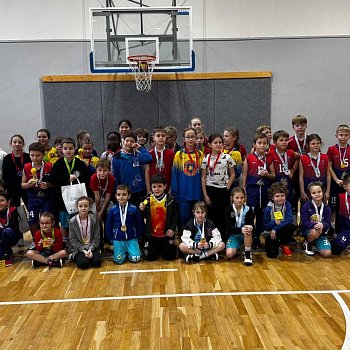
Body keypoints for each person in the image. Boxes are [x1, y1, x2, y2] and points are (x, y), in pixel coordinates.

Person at [50, 137, 91, 239]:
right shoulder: (58, 164)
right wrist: (66, 178)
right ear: (62, 150)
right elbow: (53, 179)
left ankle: (79, 242)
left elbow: (86, 180)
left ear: (75, 149)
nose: (68, 151)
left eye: (71, 148)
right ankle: (66, 242)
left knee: (79, 221)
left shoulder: (80, 164)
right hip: (63, 199)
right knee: (64, 223)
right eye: (65, 148)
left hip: (78, 198)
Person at [242, 133, 275, 249]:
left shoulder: (269, 158)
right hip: (252, 191)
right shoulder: (249, 158)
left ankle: (258, 235)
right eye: (259, 143)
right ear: (254, 144)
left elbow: (273, 175)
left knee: (263, 214)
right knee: (251, 214)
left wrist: (267, 174)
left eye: (264, 143)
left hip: (265, 190)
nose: (262, 145)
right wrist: (244, 191)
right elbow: (244, 176)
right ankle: (250, 237)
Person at [201, 133, 235, 239]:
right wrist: (205, 195)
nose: (218, 144)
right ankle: (212, 239)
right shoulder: (206, 158)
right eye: (215, 142)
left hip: (223, 190)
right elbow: (203, 177)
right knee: (212, 215)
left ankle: (223, 239)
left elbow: (233, 174)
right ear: (210, 144)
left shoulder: (227, 157)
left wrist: (227, 188)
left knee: (223, 215)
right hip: (210, 189)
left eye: (220, 142)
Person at [139, 174, 178, 261]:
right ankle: (157, 249)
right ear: (151, 187)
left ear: (165, 186)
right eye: (154, 186)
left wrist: (172, 228)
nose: (156, 189)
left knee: (170, 257)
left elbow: (175, 216)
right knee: (149, 258)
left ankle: (163, 248)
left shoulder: (171, 200)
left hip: (165, 235)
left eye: (159, 186)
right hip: (152, 236)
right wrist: (142, 209)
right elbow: (143, 215)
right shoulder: (147, 199)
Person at [171, 127, 204, 229]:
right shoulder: (179, 155)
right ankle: (183, 241)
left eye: (192, 137)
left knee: (197, 218)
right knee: (184, 218)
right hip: (183, 194)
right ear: (184, 139)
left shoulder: (200, 154)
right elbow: (175, 175)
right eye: (188, 137)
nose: (190, 139)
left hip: (196, 193)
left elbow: (203, 175)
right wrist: (175, 193)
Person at [106, 184, 144, 264]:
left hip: (131, 238)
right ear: (116, 196)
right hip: (118, 239)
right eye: (119, 195)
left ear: (129, 196)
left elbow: (139, 222)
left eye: (124, 194)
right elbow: (109, 225)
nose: (121, 197)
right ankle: (122, 251)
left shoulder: (133, 209)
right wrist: (110, 238)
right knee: (118, 260)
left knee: (136, 258)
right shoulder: (112, 210)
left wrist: (138, 236)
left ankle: (130, 251)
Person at [21, 142, 53, 237]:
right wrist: (28, 184)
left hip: (46, 197)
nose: (35, 158)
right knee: (32, 219)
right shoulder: (26, 167)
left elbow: (54, 183)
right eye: (32, 155)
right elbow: (22, 185)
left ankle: (47, 239)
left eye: (38, 155)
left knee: (46, 218)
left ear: (43, 155)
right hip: (32, 197)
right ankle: (36, 239)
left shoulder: (49, 166)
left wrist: (48, 185)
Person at [112, 131, 152, 206]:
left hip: (139, 189)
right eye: (127, 141)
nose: (129, 143)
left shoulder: (138, 154)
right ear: (123, 141)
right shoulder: (116, 157)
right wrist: (117, 191)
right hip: (125, 191)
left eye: (132, 141)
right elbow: (115, 175)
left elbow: (148, 158)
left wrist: (140, 148)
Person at [263, 182, 296, 258]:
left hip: (280, 230)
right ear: (272, 197)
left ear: (286, 195)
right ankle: (272, 243)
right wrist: (273, 223)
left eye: (282, 196)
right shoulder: (268, 208)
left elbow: (289, 219)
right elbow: (265, 226)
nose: (280, 198)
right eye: (277, 196)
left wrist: (276, 228)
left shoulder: (287, 204)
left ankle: (284, 244)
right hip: (271, 233)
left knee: (291, 226)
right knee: (272, 254)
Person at [69, 196, 102, 269]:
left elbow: (97, 237)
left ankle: (91, 255)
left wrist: (91, 249)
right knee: (83, 264)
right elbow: (72, 239)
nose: (83, 208)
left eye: (86, 206)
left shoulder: (94, 219)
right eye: (80, 206)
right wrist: (83, 250)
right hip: (79, 248)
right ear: (77, 207)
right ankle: (76, 256)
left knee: (97, 263)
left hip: (92, 247)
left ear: (89, 207)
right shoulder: (72, 221)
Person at [300, 182, 332, 257]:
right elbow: (304, 222)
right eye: (314, 193)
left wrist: (323, 225)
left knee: (327, 254)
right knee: (315, 232)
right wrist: (315, 225)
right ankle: (308, 242)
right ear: (310, 195)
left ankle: (316, 242)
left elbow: (328, 223)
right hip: (309, 230)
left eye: (319, 192)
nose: (317, 194)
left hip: (321, 232)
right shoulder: (306, 206)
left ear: (323, 192)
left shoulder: (327, 207)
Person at [225, 187, 254, 265]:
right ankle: (241, 248)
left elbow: (251, 223)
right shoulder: (229, 210)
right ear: (232, 198)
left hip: (246, 234)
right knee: (229, 254)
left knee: (248, 229)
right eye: (237, 198)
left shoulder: (248, 209)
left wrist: (251, 226)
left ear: (245, 198)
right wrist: (241, 230)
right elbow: (229, 228)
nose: (239, 200)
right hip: (234, 235)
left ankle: (247, 254)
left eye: (242, 197)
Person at [269, 130, 299, 204]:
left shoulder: (291, 152)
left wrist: (293, 170)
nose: (284, 142)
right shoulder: (270, 153)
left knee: (289, 202)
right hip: (276, 181)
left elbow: (299, 158)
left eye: (286, 140)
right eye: (281, 140)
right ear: (275, 142)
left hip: (288, 181)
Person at [90, 158, 115, 246]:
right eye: (100, 170)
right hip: (95, 201)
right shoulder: (93, 178)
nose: (102, 173)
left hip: (106, 201)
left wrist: (102, 211)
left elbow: (108, 196)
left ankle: (109, 238)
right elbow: (96, 197)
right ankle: (98, 240)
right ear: (96, 170)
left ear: (109, 171)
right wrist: (98, 211)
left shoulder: (111, 179)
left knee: (109, 215)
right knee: (96, 218)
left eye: (105, 170)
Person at [327, 124, 350, 222]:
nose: (343, 137)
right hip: (335, 183)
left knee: (346, 205)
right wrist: (336, 179)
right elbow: (329, 166)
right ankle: (332, 227)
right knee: (333, 206)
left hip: (348, 183)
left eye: (346, 135)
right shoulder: (331, 149)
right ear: (336, 136)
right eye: (341, 135)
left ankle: (345, 226)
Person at [299, 134, 330, 202]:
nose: (315, 145)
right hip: (308, 189)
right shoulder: (303, 158)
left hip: (322, 188)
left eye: (317, 143)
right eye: (313, 144)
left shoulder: (325, 157)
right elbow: (301, 176)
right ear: (308, 145)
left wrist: (328, 191)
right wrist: (302, 192)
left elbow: (328, 175)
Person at [2, 134, 31, 207]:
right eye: (15, 142)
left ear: (23, 144)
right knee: (15, 211)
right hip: (12, 189)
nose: (17, 144)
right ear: (11, 144)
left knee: (30, 208)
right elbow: (5, 175)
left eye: (19, 142)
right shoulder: (7, 158)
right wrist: (5, 189)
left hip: (26, 187)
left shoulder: (28, 157)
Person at [146, 126, 175, 193]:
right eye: (158, 136)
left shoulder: (171, 153)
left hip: (167, 188)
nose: (161, 138)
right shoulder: (149, 154)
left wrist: (171, 188)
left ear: (166, 138)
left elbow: (173, 172)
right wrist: (148, 189)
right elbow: (147, 172)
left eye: (163, 136)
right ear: (153, 138)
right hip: (153, 188)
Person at [0, 192, 21, 266]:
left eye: (2, 201)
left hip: (12, 236)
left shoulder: (13, 210)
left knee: (6, 231)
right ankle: (5, 252)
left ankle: (8, 256)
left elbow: (12, 226)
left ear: (8, 202)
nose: (0, 203)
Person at [331, 174, 350, 255]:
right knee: (336, 249)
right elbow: (338, 217)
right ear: (345, 187)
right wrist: (336, 232)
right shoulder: (340, 197)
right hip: (346, 230)